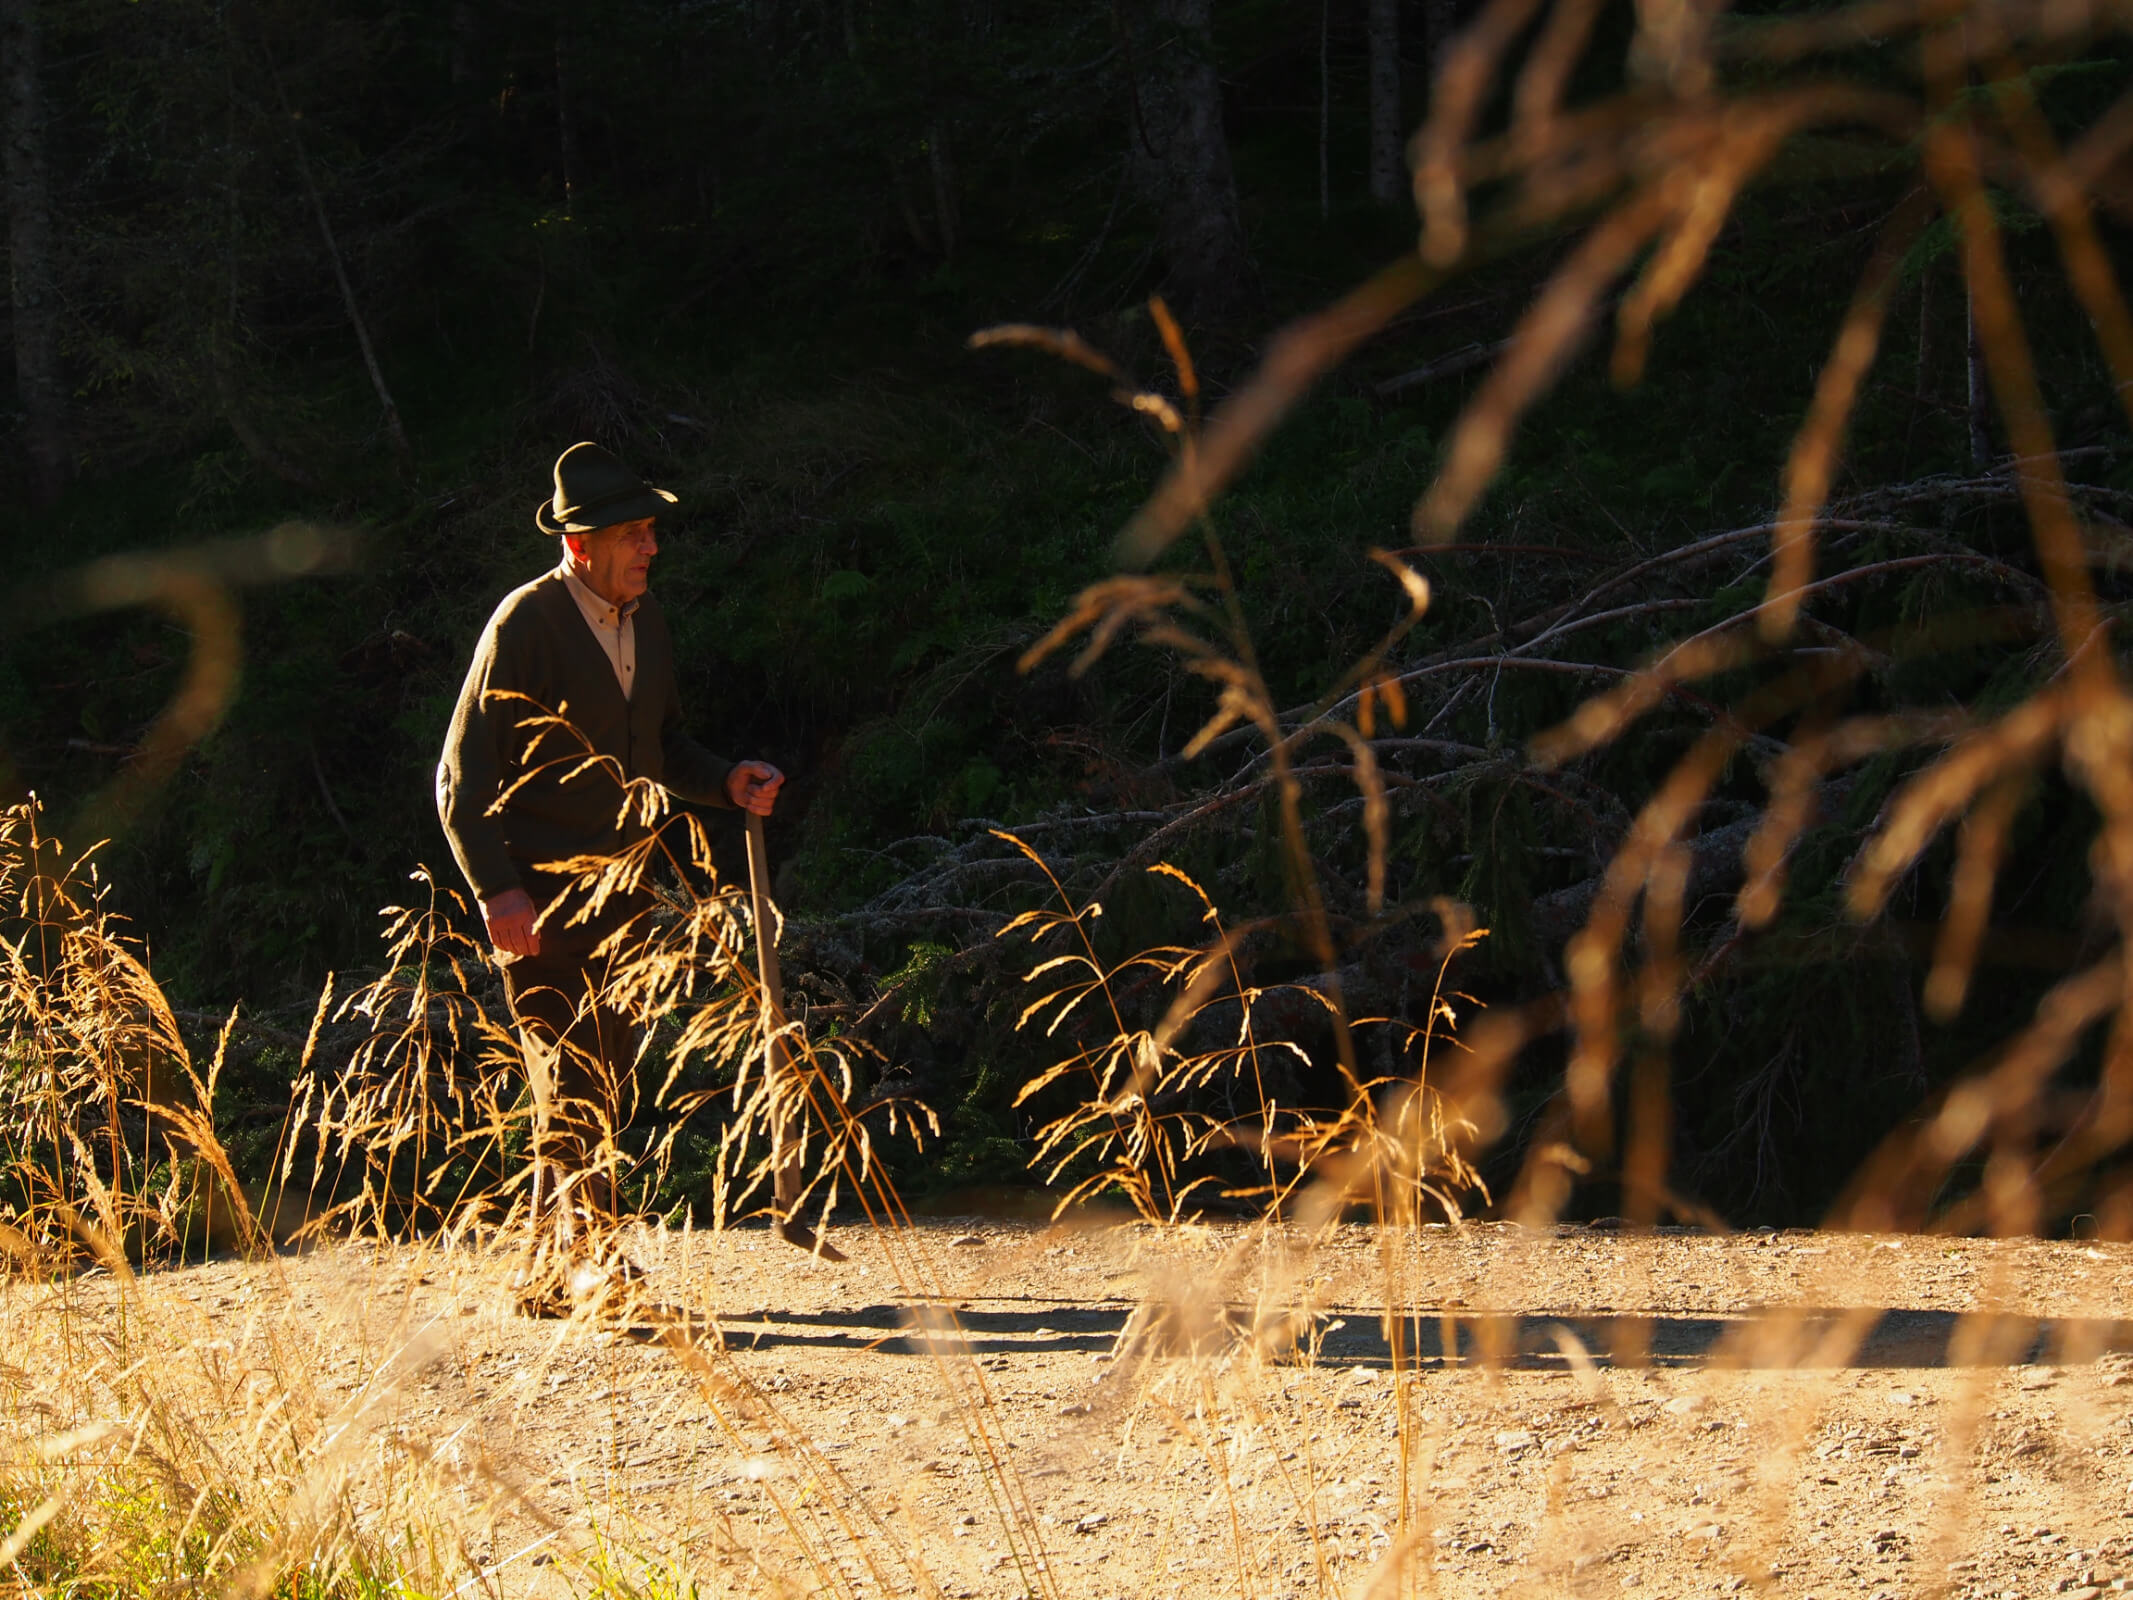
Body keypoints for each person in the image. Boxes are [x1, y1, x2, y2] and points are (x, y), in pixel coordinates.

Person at [436, 441, 782, 1313]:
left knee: (602, 1076)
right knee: (571, 1074)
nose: (650, 548)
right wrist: (495, 888)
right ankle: (598, 1267)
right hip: (539, 898)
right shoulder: (524, 624)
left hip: (626, 893)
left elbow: (661, 747)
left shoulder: (646, 620)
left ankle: (544, 1275)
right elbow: (458, 778)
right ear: (580, 543)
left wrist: (723, 780)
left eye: (651, 532)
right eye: (633, 534)